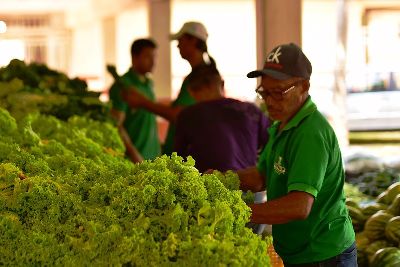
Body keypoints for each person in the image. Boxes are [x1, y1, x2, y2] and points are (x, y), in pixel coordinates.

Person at [239, 43, 357, 266]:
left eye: (278, 93)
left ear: (304, 87)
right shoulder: (282, 125)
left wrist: (240, 211)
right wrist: (221, 179)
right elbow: (261, 176)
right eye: (264, 93)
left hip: (324, 254)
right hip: (299, 251)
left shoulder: (310, 133)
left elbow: (299, 206)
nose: (270, 102)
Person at [122, 21, 217, 155]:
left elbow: (179, 115)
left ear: (193, 41)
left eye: (180, 40)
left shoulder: (200, 78)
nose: (178, 45)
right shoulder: (198, 76)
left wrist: (142, 102)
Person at [175, 65, 270, 173]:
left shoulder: (189, 115)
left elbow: (178, 160)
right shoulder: (251, 110)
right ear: (222, 84)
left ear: (191, 91)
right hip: (249, 185)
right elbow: (272, 146)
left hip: (209, 186)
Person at [108, 38, 161, 163]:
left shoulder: (149, 83)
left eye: (155, 57)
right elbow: (117, 125)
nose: (153, 62)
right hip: (135, 160)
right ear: (134, 57)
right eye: (148, 57)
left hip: (153, 156)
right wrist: (134, 155)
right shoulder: (123, 86)